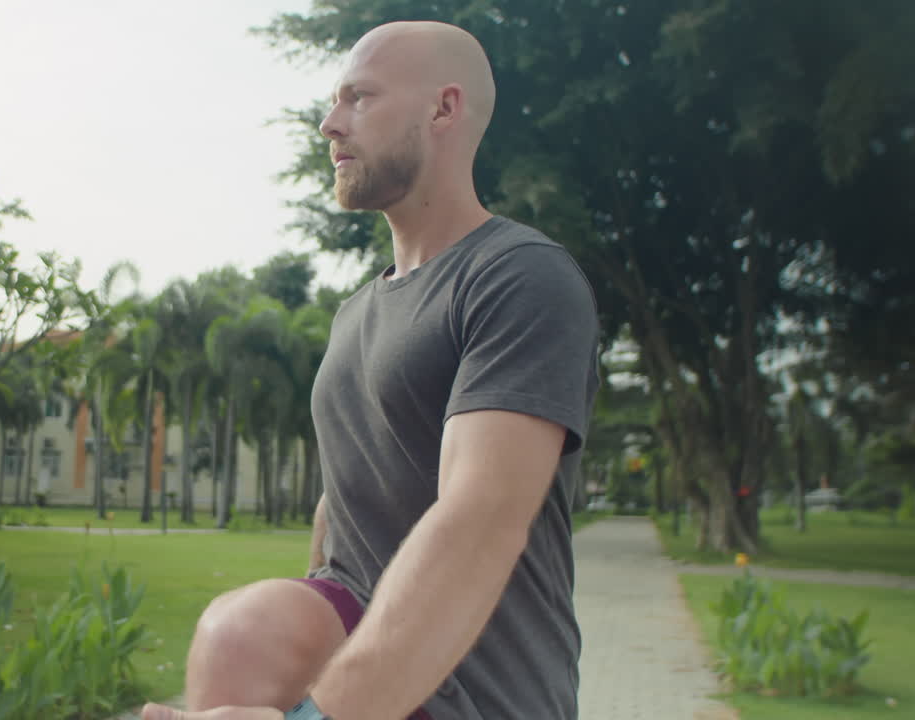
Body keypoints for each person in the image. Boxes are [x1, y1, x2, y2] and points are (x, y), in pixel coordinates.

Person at [143, 20, 599, 720]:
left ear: (442, 109)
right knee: (240, 633)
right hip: (359, 657)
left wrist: (318, 718)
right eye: (334, 102)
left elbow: (482, 517)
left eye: (358, 97)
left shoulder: (518, 277)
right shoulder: (356, 312)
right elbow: (349, 500)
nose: (329, 124)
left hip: (482, 695)